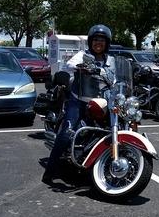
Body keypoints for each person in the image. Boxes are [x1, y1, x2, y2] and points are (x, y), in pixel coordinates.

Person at [42, 24, 115, 185]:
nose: (98, 43)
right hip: (79, 101)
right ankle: (50, 171)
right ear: (90, 42)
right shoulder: (83, 55)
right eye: (95, 40)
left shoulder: (111, 60)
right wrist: (84, 66)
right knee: (67, 131)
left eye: (102, 40)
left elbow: (115, 78)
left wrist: (105, 74)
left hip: (102, 102)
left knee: (116, 126)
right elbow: (69, 65)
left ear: (107, 43)